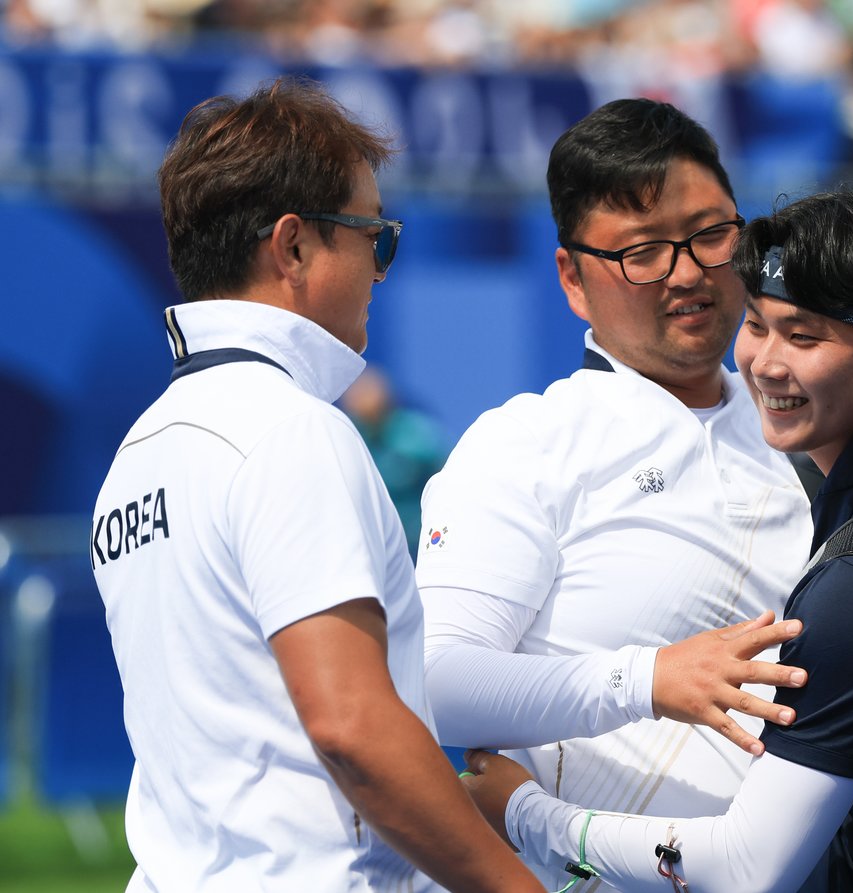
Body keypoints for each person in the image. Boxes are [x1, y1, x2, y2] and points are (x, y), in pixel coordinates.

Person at [90, 78, 542, 893]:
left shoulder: (141, 448)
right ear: (293, 246)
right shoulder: (288, 427)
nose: (380, 268)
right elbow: (352, 726)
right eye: (376, 235)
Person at [461, 188, 853, 893]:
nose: (764, 363)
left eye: (803, 337)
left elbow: (744, 868)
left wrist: (525, 813)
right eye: (758, 325)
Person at [413, 98, 815, 887]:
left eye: (711, 234)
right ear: (571, 276)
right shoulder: (528, 441)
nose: (690, 272)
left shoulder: (815, 438)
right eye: (641, 252)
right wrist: (648, 679)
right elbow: (433, 683)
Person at [341, 364, 447, 547]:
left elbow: (448, 475)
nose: (363, 403)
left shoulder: (415, 434)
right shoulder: (349, 437)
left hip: (421, 540)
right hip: (375, 541)